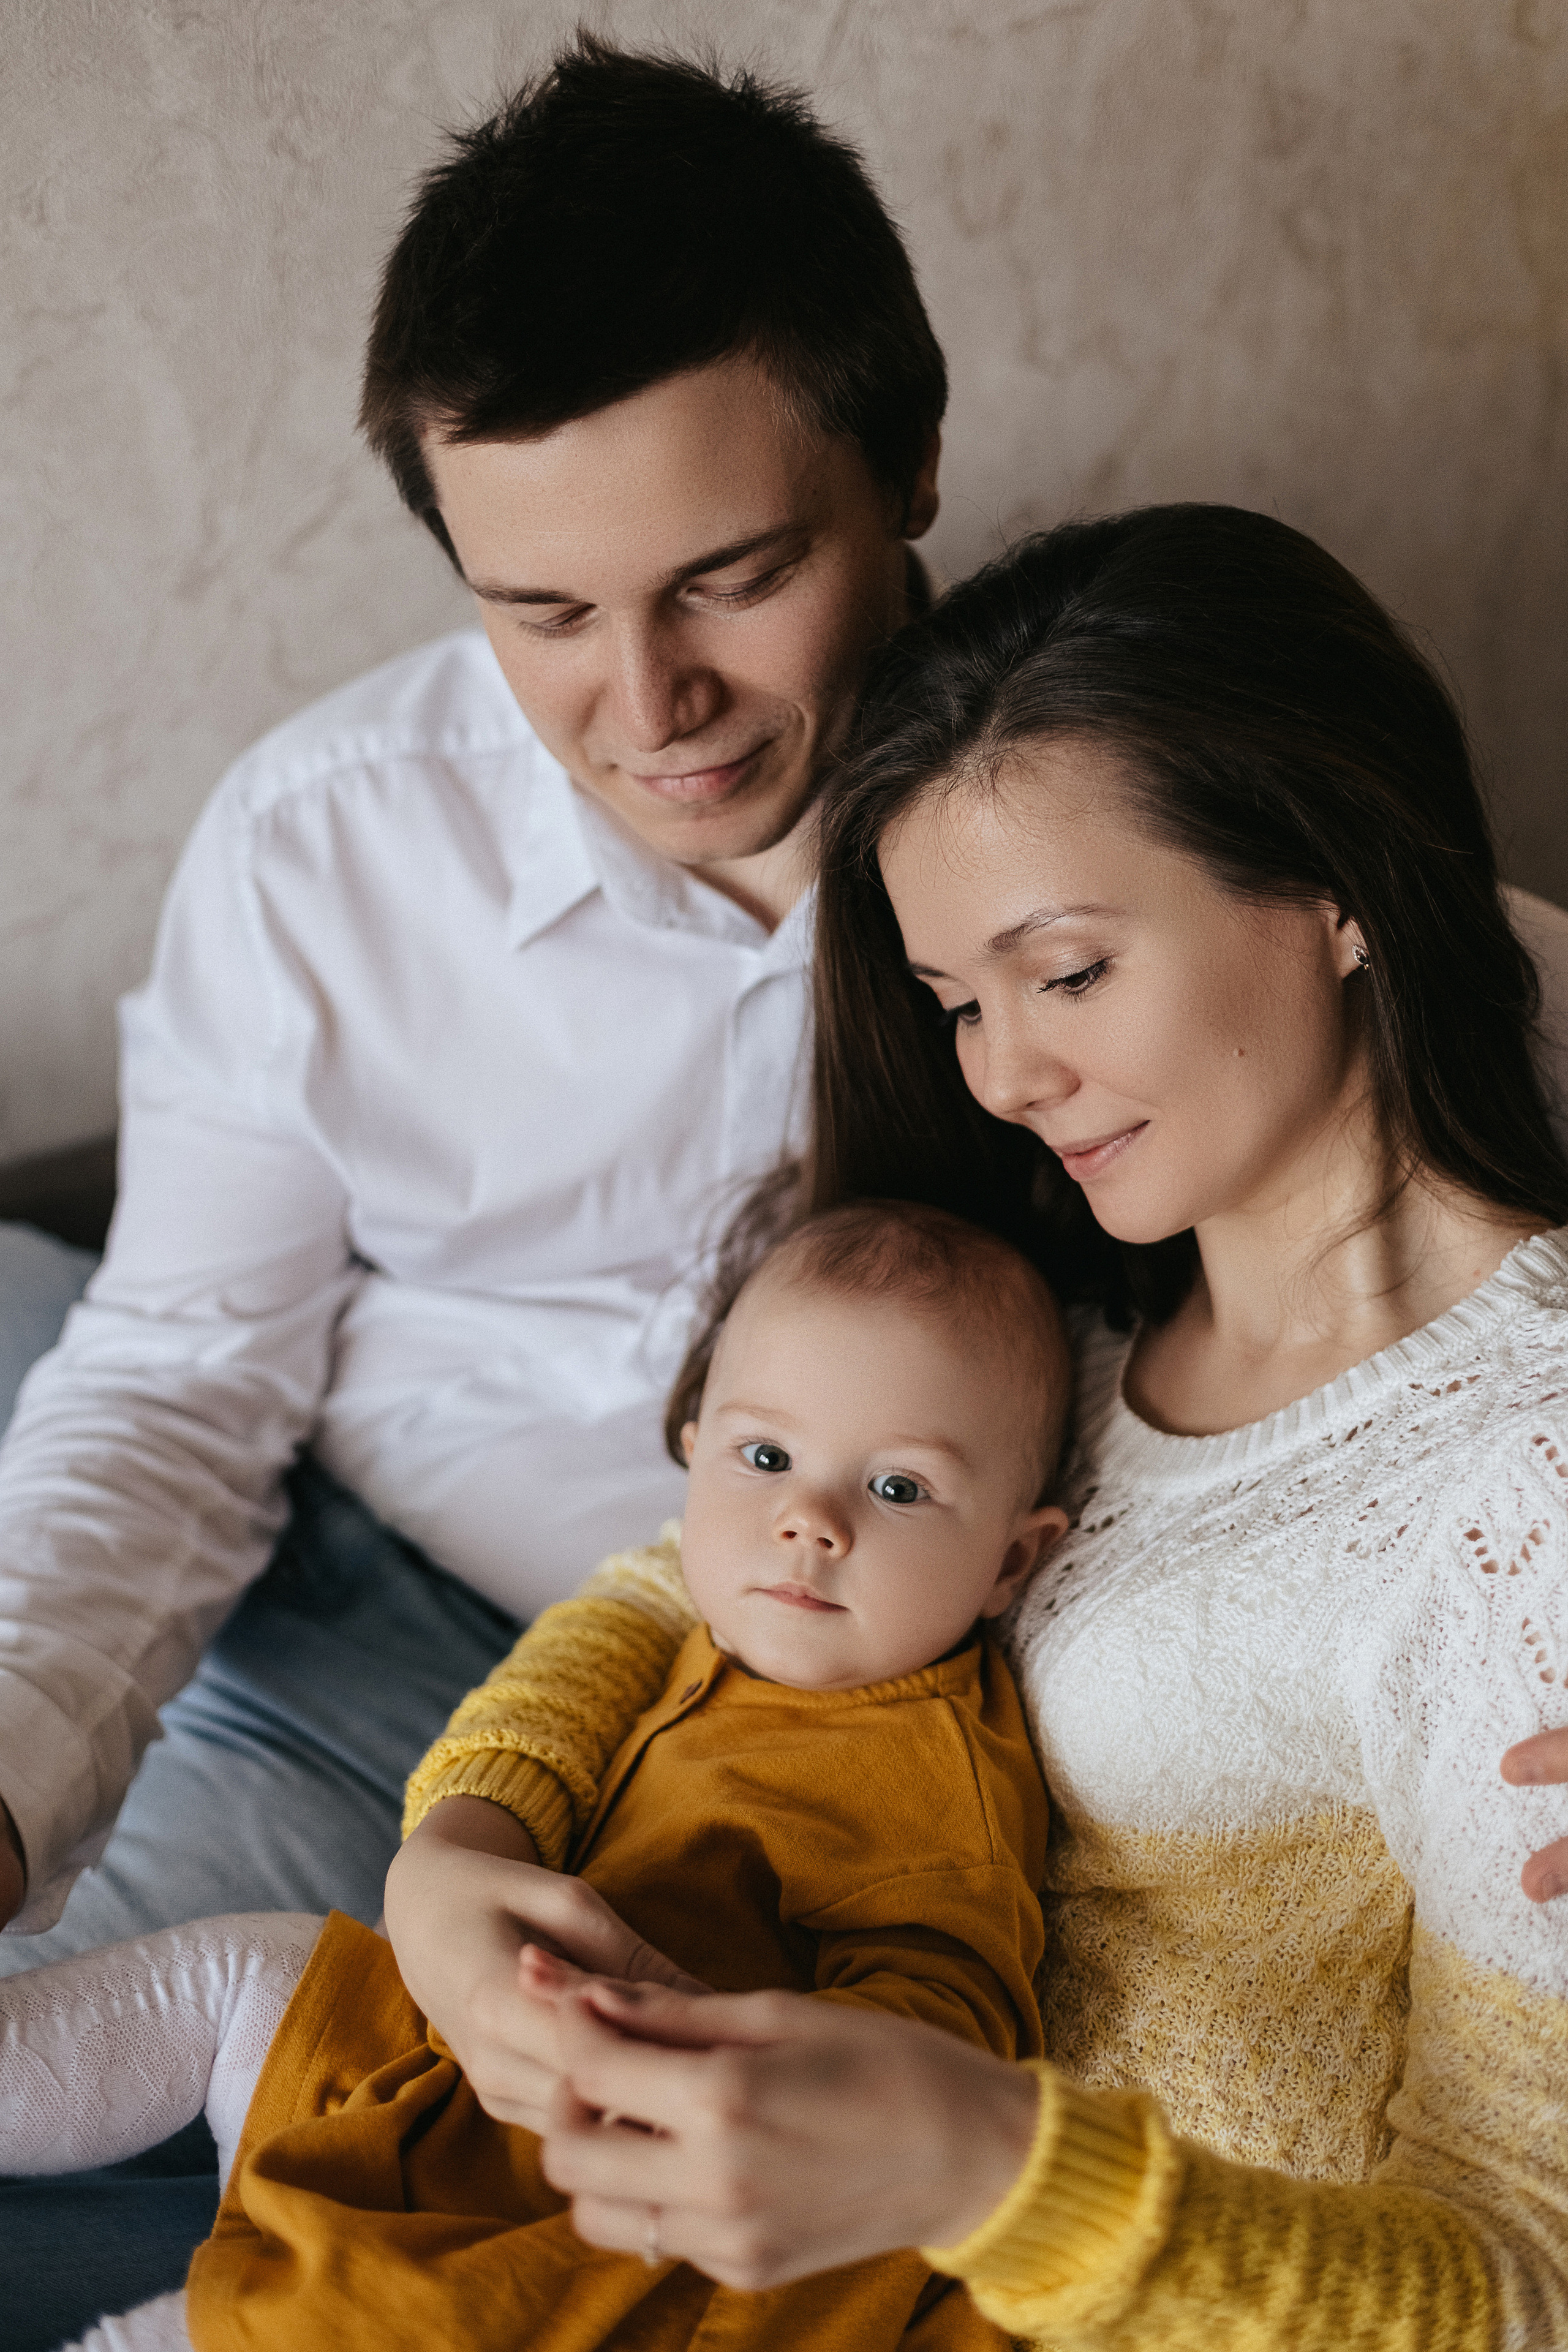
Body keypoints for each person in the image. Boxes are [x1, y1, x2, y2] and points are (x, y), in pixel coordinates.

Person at [375, 506, 1568, 2346]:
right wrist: (455, 1849)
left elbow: (1528, 2297)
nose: (1004, 1076)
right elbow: (687, 1575)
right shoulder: (1071, 1317)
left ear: (1340, 888)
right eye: (955, 1004)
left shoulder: (1521, 1503)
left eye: (1069, 972)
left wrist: (984, 2170)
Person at [1, 36, 948, 2339]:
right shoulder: (326, 843)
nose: (654, 706)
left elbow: (1461, 1025)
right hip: (368, 1632)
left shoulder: (1111, 796)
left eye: (733, 578)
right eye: (543, 616)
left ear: (905, 465)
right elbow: (186, 1367)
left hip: (843, 1749)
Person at [2, 1200, 1073, 2352]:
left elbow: (942, 2035)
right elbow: (533, 1727)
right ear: (693, 1447)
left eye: (899, 1489)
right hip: (459, 2050)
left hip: (604, 2200)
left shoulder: (938, 1772)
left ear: (1011, 1559)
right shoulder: (691, 1627)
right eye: (765, 1458)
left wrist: (709, 2054)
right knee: (248, 1974)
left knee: (347, 2320)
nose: (808, 1521)